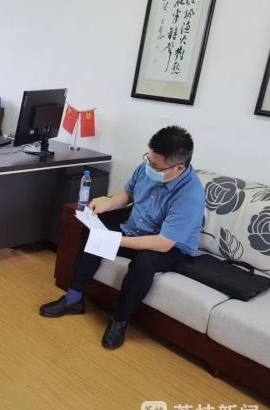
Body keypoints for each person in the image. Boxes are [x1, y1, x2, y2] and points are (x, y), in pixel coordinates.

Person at [40, 126, 205, 349]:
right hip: (135, 231)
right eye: (149, 160)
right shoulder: (147, 168)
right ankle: (74, 299)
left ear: (179, 168)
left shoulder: (190, 196)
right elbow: (127, 193)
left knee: (143, 263)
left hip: (170, 247)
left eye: (156, 166)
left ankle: (119, 321)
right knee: (93, 235)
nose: (149, 167)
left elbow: (163, 242)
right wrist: (107, 204)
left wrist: (114, 240)